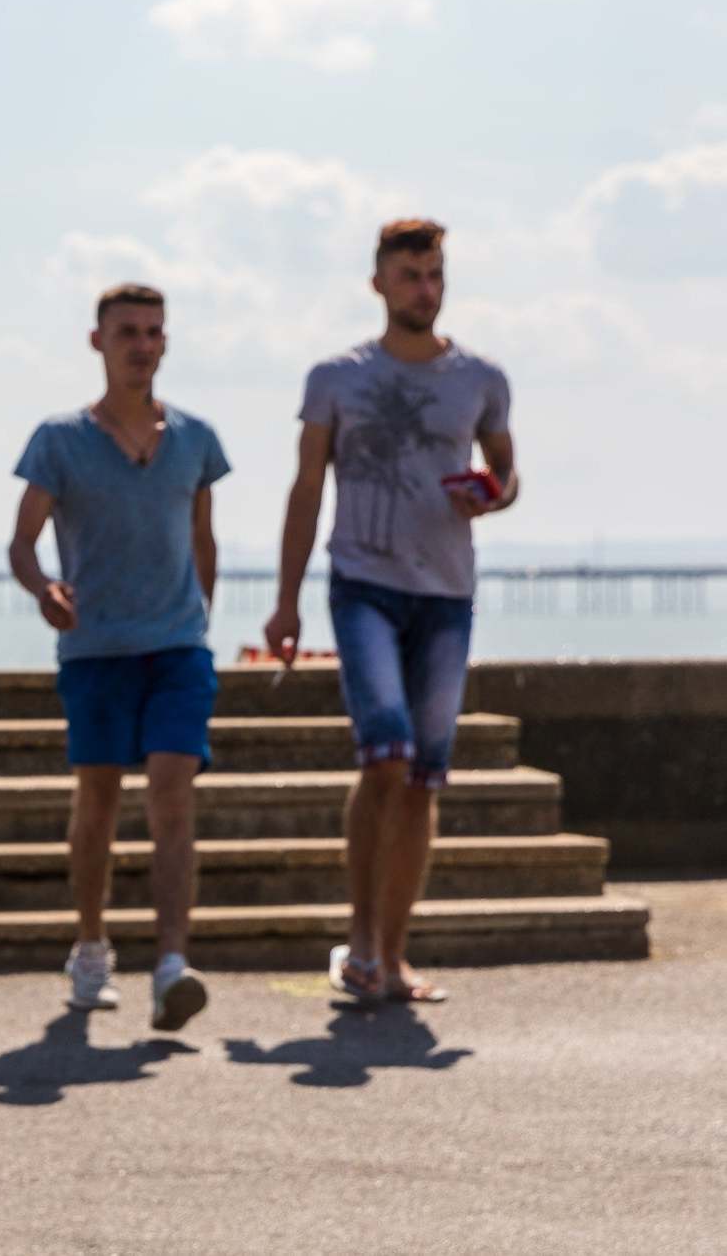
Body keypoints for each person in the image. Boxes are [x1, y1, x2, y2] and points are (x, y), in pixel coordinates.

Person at [262, 219, 517, 1005]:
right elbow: (307, 487)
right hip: (362, 582)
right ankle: (362, 941)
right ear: (379, 282)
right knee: (385, 755)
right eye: (409, 274)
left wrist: (490, 492)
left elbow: (506, 473)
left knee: (422, 778)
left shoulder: (481, 377)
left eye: (434, 274)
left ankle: (396, 954)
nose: (424, 288)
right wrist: (285, 599)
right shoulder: (335, 378)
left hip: (445, 592)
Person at [8, 284, 229, 1031]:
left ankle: (172, 963)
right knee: (98, 799)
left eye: (154, 332)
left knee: (172, 789)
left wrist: (201, 618)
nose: (142, 344)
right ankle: (92, 945)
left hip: (177, 646)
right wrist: (43, 589)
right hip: (97, 647)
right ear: (97, 341)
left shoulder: (196, 438)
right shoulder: (59, 438)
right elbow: (21, 540)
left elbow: (203, 537)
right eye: (127, 331)